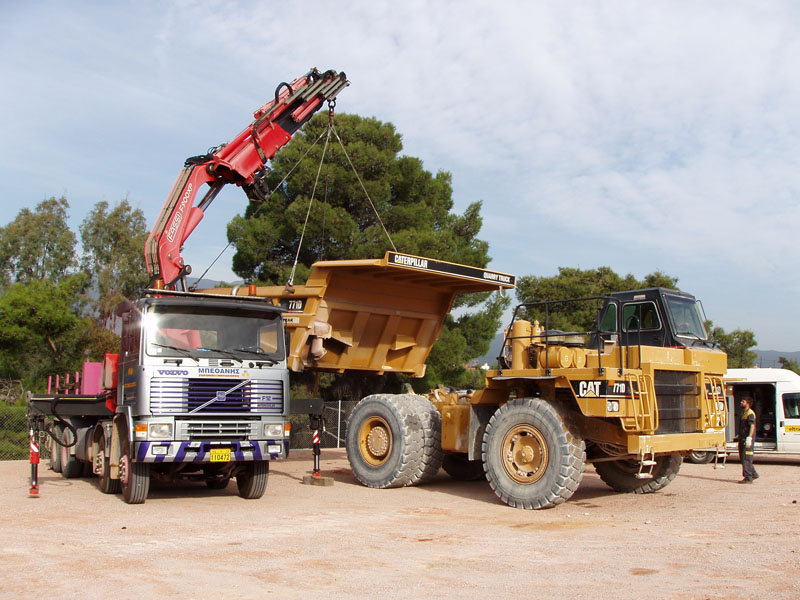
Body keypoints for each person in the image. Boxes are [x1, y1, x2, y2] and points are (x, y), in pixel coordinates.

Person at [737, 396, 759, 483]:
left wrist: (749, 437)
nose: (741, 402)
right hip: (742, 438)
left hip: (747, 439)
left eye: (743, 401)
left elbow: (752, 426)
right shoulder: (743, 413)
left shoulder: (750, 413)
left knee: (747, 458)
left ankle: (748, 478)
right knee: (743, 457)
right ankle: (753, 474)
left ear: (748, 404)